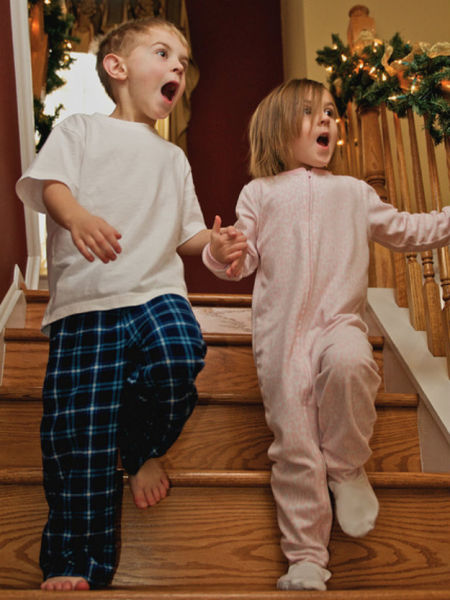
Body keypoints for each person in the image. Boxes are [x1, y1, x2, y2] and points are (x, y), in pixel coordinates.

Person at [16, 16, 246, 592]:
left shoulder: (173, 159)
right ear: (117, 68)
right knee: (79, 439)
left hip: (154, 292)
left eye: (183, 61)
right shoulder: (82, 129)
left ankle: (144, 447)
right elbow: (51, 186)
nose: (178, 66)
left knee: (177, 353)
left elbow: (187, 234)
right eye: (163, 52)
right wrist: (78, 217)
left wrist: (215, 246)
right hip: (85, 307)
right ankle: (74, 561)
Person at [204, 78, 450, 591]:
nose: (328, 121)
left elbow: (408, 230)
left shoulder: (354, 192)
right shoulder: (260, 194)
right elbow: (240, 260)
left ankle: (346, 467)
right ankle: (308, 558)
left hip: (340, 322)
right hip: (279, 339)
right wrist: (221, 250)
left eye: (332, 112)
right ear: (278, 130)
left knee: (352, 365)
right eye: (312, 112)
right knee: (294, 443)